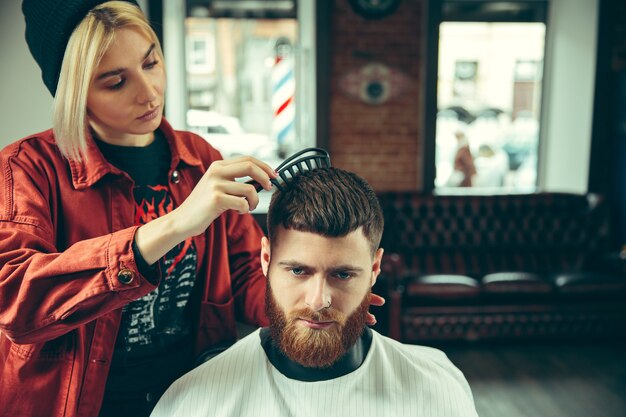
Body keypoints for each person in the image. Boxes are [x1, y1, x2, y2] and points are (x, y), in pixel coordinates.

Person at [151, 167, 479, 417]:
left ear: (375, 270)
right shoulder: (194, 403)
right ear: (266, 259)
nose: (318, 300)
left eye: (343, 274)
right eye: (298, 271)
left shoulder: (437, 388)